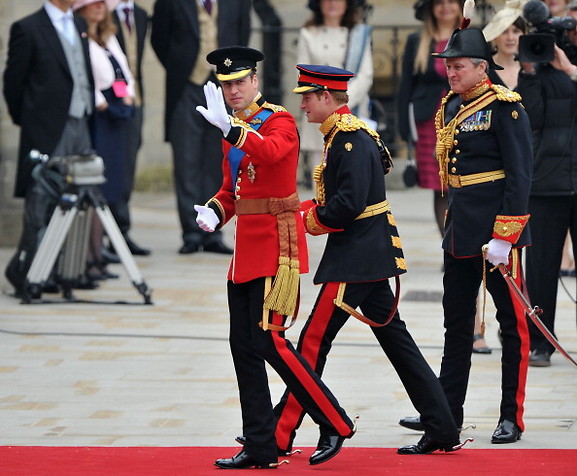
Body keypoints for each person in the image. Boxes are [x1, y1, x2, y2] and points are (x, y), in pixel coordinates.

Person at [271, 63, 465, 456]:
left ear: (327, 96)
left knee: (312, 342)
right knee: (397, 341)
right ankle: (442, 427)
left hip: (356, 258)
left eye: (308, 97)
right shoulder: (346, 134)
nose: (303, 106)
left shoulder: (348, 139)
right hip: (366, 255)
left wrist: (307, 220)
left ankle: (280, 433)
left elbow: (347, 205)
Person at [194, 46, 356, 469]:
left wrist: (231, 131)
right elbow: (232, 191)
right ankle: (261, 443)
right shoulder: (230, 126)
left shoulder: (279, 119)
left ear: (255, 82)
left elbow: (269, 153)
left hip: (275, 246)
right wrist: (214, 210)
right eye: (225, 84)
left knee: (271, 341)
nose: (232, 91)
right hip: (244, 250)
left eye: (238, 82)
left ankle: (334, 420)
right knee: (243, 346)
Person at [399, 25, 533, 444]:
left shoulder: (505, 108)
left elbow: (519, 175)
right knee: (456, 325)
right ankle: (445, 413)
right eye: (449, 67)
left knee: (511, 325)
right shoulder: (452, 104)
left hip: (495, 234)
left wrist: (505, 236)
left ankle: (510, 416)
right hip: (460, 231)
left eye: (458, 67)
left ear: (481, 68)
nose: (451, 73)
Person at [3, 0, 94, 296]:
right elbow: (13, 83)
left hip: (80, 123)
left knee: (76, 198)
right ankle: (27, 271)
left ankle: (65, 272)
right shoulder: (27, 28)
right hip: (45, 127)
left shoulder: (79, 24)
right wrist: (30, 121)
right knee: (41, 201)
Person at [151, 0, 251, 255]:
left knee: (219, 160)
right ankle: (191, 233)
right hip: (186, 85)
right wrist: (180, 65)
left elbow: (242, 35)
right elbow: (159, 39)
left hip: (223, 85)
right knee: (186, 160)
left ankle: (213, 230)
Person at [517, 0, 577, 367]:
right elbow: (530, 121)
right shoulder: (538, 67)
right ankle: (540, 342)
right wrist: (530, 71)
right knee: (540, 267)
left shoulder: (569, 66)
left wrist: (570, 69)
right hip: (547, 182)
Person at [73, 0, 135, 281]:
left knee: (111, 187)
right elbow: (82, 76)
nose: (99, 7)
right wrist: (100, 103)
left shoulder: (108, 37)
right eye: (93, 3)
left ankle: (97, 258)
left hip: (117, 114)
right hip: (99, 116)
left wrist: (128, 94)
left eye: (102, 3)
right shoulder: (78, 36)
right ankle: (87, 259)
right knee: (95, 187)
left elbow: (122, 71)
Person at [398, 0, 462, 238]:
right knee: (441, 188)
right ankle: (449, 246)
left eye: (451, 2)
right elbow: (406, 85)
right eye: (439, 3)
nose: (445, 7)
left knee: (461, 180)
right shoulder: (418, 41)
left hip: (462, 116)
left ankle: (462, 242)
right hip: (429, 121)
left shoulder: (467, 37)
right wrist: (405, 129)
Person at [296, 0, 373, 188]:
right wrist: (324, 102)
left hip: (351, 110)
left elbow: (366, 74)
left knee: (353, 176)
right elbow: (301, 72)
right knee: (323, 179)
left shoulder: (358, 34)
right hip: (320, 112)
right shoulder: (308, 34)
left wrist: (340, 101)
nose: (332, 3)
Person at [108, 0, 151, 257]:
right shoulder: (104, 12)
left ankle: (121, 232)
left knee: (127, 167)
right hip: (112, 103)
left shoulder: (142, 14)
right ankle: (109, 234)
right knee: (114, 166)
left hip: (136, 99)